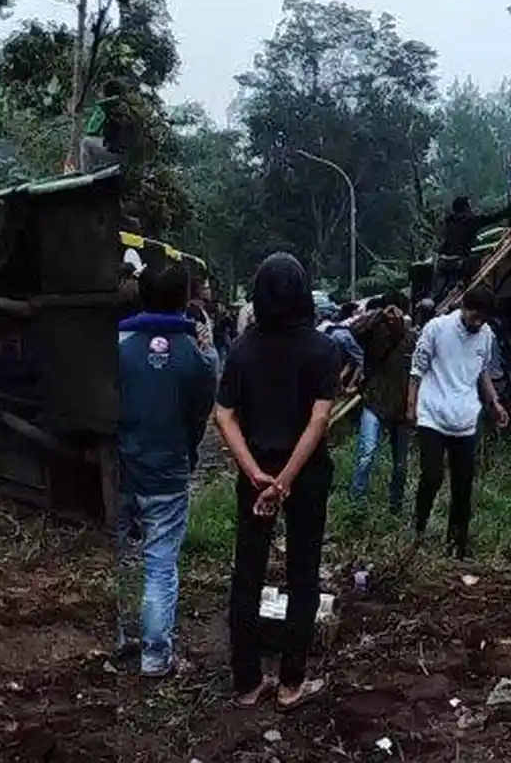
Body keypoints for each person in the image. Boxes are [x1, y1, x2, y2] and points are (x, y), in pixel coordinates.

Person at [215, 252, 340, 712]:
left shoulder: (244, 349)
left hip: (256, 473)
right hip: (302, 477)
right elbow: (319, 419)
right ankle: (291, 683)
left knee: (247, 571)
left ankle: (247, 683)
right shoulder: (324, 350)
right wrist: (286, 480)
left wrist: (255, 473)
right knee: (302, 573)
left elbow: (223, 415)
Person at [116, 264, 217, 677]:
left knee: (117, 556)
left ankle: (117, 639)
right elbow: (199, 419)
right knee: (160, 565)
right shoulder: (198, 357)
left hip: (122, 468)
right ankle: (156, 658)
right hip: (168, 474)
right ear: (185, 300)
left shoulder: (117, 345)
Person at [407, 286, 509, 560]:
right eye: (475, 317)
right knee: (432, 476)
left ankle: (457, 542)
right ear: (464, 308)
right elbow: (417, 369)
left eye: (483, 318)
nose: (478, 323)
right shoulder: (437, 328)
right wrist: (411, 408)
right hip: (432, 415)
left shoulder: (486, 335)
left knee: (463, 484)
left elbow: (482, 373)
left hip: (465, 419)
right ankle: (417, 531)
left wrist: (494, 403)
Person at [348, 293, 416, 512]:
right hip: (374, 401)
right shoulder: (375, 333)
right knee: (366, 455)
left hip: (401, 408)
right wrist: (377, 316)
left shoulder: (412, 338)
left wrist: (412, 407)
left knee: (401, 466)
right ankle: (357, 502)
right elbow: (354, 330)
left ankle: (395, 507)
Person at [80, 79, 131, 173]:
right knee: (94, 142)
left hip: (119, 156)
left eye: (102, 92)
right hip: (125, 155)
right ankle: (94, 171)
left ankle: (87, 174)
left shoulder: (115, 106)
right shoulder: (126, 106)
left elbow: (91, 131)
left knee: (86, 142)